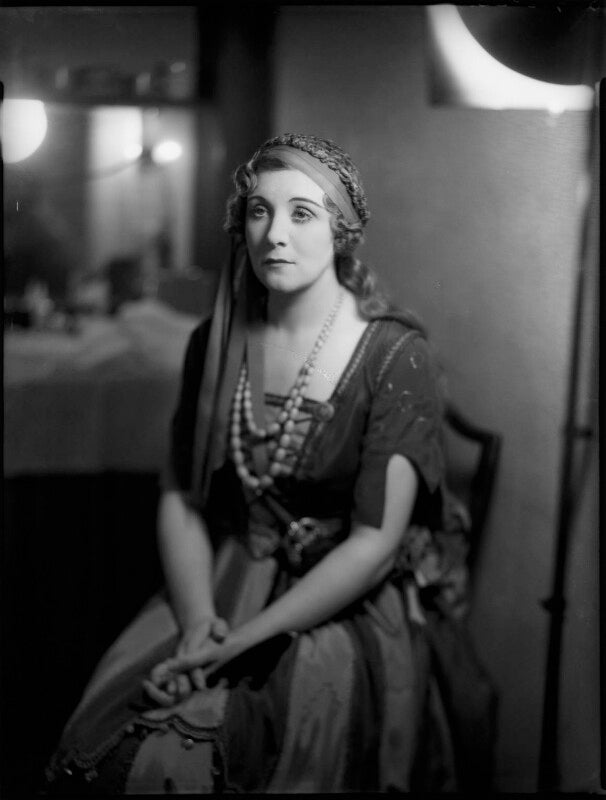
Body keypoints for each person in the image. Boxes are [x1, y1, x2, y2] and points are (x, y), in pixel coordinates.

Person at [45, 133, 495, 794]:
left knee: (219, 758)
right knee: (114, 742)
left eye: (301, 213)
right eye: (259, 211)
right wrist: (199, 622)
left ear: (342, 230)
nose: (274, 234)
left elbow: (373, 546)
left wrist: (239, 643)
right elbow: (180, 495)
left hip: (342, 604)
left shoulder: (396, 358)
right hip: (225, 576)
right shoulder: (216, 342)